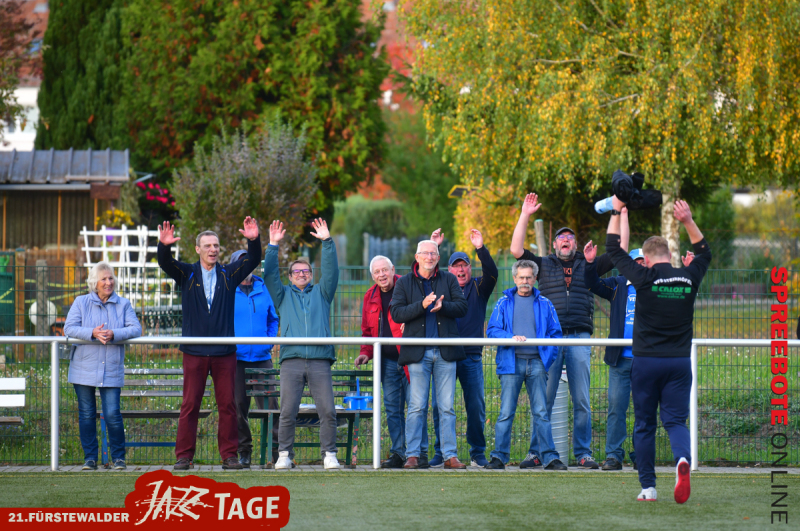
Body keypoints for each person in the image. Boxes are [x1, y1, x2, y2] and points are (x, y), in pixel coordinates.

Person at [604, 196, 711, 503]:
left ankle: (649, 488)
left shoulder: (644, 277)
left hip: (647, 363)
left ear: (647, 259)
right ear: (669, 254)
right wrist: (688, 220)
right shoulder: (688, 276)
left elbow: (613, 249)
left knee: (645, 424)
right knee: (676, 421)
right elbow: (705, 253)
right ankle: (681, 460)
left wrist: (616, 208)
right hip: (679, 363)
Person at [510, 193, 625, 468]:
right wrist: (525, 214)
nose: (566, 240)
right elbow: (516, 250)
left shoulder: (589, 262)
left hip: (579, 338)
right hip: (550, 339)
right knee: (544, 399)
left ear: (575, 244)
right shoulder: (543, 265)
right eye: (561, 238)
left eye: (570, 238)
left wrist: (617, 212)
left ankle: (583, 453)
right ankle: (537, 452)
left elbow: (620, 249)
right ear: (554, 244)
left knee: (582, 399)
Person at [157, 217, 261, 470]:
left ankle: (229, 457)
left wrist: (254, 240)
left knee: (228, 405)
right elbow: (165, 262)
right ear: (197, 249)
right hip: (194, 353)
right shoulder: (187, 273)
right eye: (207, 246)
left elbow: (253, 260)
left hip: (224, 353)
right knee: (190, 405)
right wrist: (164, 245)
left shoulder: (229, 273)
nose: (213, 249)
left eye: (216, 245)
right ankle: (184, 456)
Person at [587, 233, 696, 472]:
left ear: (647, 263)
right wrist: (589, 264)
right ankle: (614, 456)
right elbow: (592, 283)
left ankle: (640, 456)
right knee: (616, 408)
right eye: (633, 262)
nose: (638, 266)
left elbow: (683, 301)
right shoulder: (617, 285)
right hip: (620, 360)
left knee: (643, 413)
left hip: (647, 360)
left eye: (640, 262)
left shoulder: (656, 286)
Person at [263, 218, 340, 470]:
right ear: (290, 276)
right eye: (296, 271)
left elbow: (332, 272)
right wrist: (273, 245)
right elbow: (269, 274)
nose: (302, 274)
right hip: (292, 360)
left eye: (306, 271)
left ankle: (329, 454)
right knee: (287, 411)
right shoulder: (283, 295)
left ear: (311, 274)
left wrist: (327, 242)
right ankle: (284, 454)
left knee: (327, 410)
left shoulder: (322, 293)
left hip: (319, 360)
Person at [390, 240, 468, 469]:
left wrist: (443, 307)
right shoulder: (404, 283)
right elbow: (396, 313)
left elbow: (462, 308)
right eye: (425, 253)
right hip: (417, 354)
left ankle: (449, 456)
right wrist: (421, 305)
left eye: (433, 253)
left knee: (446, 407)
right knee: (416, 406)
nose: (430, 257)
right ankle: (413, 455)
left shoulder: (449, 279)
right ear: (417, 256)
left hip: (445, 353)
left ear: (438, 258)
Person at [485, 260, 567, 470]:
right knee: (506, 412)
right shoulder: (504, 302)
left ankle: (549, 457)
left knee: (541, 412)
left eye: (529, 277)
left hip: (537, 364)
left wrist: (546, 358)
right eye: (521, 277)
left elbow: (555, 334)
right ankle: (499, 457)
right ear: (514, 278)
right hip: (511, 363)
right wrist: (510, 337)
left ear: (535, 278)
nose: (525, 281)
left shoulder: (545, 303)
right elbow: (492, 330)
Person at [428, 228, 498, 468]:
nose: (460, 270)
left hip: (471, 356)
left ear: (470, 268)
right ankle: (441, 452)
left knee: (476, 405)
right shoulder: (441, 286)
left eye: (464, 265)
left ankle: (477, 453)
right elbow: (423, 273)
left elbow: (492, 272)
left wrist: (480, 247)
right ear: (448, 270)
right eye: (456, 266)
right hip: (445, 355)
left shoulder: (479, 287)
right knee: (440, 406)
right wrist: (433, 246)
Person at [64, 262, 142, 471]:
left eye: (110, 278)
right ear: (94, 283)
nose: (108, 282)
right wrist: (92, 333)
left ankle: (118, 458)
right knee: (87, 414)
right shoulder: (80, 302)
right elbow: (69, 328)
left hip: (111, 368)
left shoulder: (123, 304)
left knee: (113, 415)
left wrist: (114, 333)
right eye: (104, 279)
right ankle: (90, 459)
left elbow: (136, 329)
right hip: (83, 368)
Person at [355, 255, 429, 468]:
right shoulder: (370, 295)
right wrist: (365, 352)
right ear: (372, 276)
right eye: (377, 272)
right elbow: (367, 331)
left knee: (417, 407)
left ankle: (420, 453)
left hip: (411, 358)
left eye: (384, 270)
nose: (381, 275)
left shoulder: (408, 286)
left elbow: (421, 312)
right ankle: (398, 452)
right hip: (386, 361)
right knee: (393, 409)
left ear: (392, 269)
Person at [230, 248, 280, 468]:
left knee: (270, 405)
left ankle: (276, 451)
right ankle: (244, 451)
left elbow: (273, 319)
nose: (245, 267)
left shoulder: (262, 287)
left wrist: (268, 342)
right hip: (236, 358)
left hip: (261, 357)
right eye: (241, 263)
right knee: (239, 406)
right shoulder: (227, 289)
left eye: (249, 262)